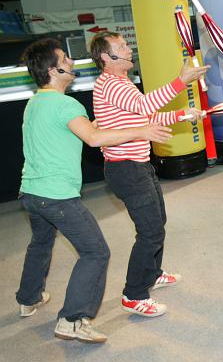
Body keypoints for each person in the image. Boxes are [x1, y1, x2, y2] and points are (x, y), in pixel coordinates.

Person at [16, 38, 172, 343]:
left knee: (41, 242)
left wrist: (110, 119)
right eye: (65, 58)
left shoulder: (36, 103)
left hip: (31, 193)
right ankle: (72, 320)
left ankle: (28, 298)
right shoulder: (66, 104)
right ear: (54, 70)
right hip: (56, 195)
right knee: (95, 252)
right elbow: (93, 139)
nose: (71, 62)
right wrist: (141, 130)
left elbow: (86, 128)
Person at [89, 32, 208, 318]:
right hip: (127, 169)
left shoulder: (122, 82)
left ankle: (151, 274)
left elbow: (145, 117)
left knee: (157, 222)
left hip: (139, 165)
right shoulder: (109, 84)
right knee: (151, 231)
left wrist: (182, 115)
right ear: (106, 57)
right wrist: (181, 81)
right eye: (121, 46)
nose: (129, 48)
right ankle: (133, 295)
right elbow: (146, 106)